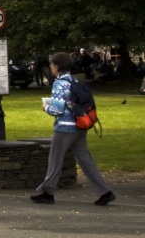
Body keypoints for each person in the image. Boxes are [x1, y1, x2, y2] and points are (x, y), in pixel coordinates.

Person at [31, 52, 116, 206]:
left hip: (64, 128)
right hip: (80, 125)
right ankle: (105, 192)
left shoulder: (59, 83)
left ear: (56, 66)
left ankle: (47, 192)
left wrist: (46, 107)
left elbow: (57, 110)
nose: (50, 68)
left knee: (55, 160)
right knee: (85, 160)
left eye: (51, 65)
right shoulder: (74, 80)